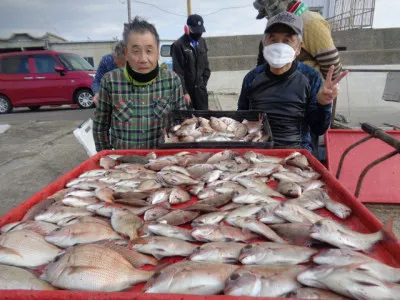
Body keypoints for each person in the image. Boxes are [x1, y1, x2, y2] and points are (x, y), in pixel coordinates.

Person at [238, 12, 348, 152]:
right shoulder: (252, 78)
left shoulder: (311, 77)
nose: (279, 45)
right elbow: (241, 119)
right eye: (273, 39)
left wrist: (323, 104)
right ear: (264, 43)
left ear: (298, 47)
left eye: (287, 40)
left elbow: (319, 129)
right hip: (258, 151)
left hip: (297, 153)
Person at [93, 16, 187, 151]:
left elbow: (182, 123)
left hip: (162, 164)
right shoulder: (110, 81)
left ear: (157, 52)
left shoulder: (172, 80)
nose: (143, 59)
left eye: (149, 51)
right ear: (126, 52)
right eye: (136, 51)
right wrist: (106, 157)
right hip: (124, 164)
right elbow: (100, 127)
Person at [253, 0, 342, 80]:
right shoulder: (272, 29)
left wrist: (321, 93)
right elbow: (262, 63)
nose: (268, 18)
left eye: (267, 13)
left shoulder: (309, 22)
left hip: (309, 93)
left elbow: (331, 65)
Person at [171, 14, 211, 110]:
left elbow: (206, 66)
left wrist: (202, 84)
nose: (198, 33)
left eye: (200, 31)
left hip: (201, 91)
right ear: (187, 29)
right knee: (189, 121)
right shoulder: (178, 45)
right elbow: (178, 72)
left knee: (204, 120)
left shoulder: (202, 42)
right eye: (196, 31)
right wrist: (184, 92)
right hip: (187, 93)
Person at [92, 41, 126, 105]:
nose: (123, 69)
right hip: (111, 100)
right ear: (114, 57)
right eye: (121, 64)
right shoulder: (106, 60)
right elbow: (97, 81)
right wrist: (97, 93)